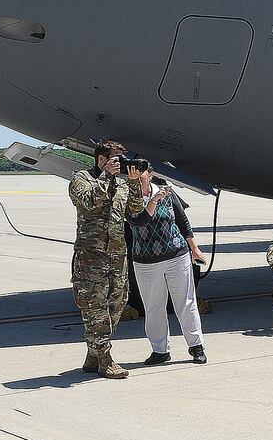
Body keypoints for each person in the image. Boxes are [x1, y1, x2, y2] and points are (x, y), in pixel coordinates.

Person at [69, 141, 145, 378]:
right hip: (91, 258)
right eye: (115, 159)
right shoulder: (82, 179)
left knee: (117, 305)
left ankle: (93, 354)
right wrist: (105, 177)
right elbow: (89, 202)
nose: (120, 163)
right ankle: (105, 359)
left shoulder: (122, 183)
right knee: (95, 308)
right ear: (101, 159)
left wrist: (133, 182)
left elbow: (135, 209)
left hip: (117, 255)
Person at [128, 165, 208, 365]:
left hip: (176, 255)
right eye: (134, 175)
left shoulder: (168, 194)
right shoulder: (129, 198)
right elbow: (139, 221)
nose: (138, 178)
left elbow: (183, 222)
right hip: (146, 262)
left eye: (142, 174)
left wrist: (194, 248)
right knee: (154, 306)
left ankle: (196, 346)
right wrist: (153, 201)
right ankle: (160, 350)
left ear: (150, 175)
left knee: (186, 302)